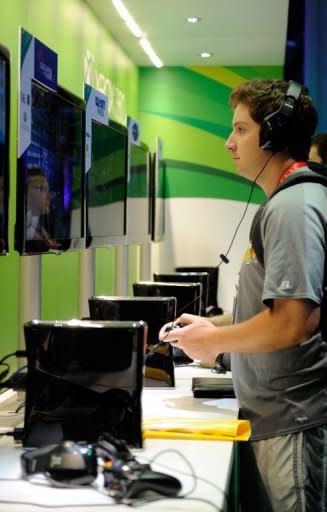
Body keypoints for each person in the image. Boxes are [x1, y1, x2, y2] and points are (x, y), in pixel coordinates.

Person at [159, 79, 327, 511]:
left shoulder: (294, 207)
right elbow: (265, 310)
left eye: (240, 129)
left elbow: (293, 322)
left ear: (273, 133)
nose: (228, 142)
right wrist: (210, 327)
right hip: (274, 419)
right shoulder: (285, 202)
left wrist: (212, 345)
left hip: (292, 421)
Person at [26, 167, 52, 240]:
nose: (49, 196)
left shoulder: (40, 229)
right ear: (26, 194)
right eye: (42, 189)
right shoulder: (24, 233)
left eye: (47, 190)